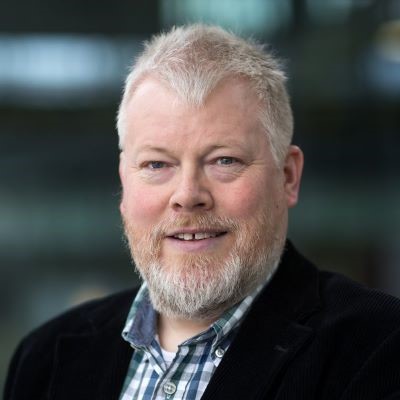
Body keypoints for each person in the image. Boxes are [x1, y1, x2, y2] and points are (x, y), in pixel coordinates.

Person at [4, 24, 400, 400]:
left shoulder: (380, 348)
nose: (188, 195)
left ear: (287, 177)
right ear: (124, 182)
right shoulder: (43, 360)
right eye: (157, 164)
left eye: (224, 160)